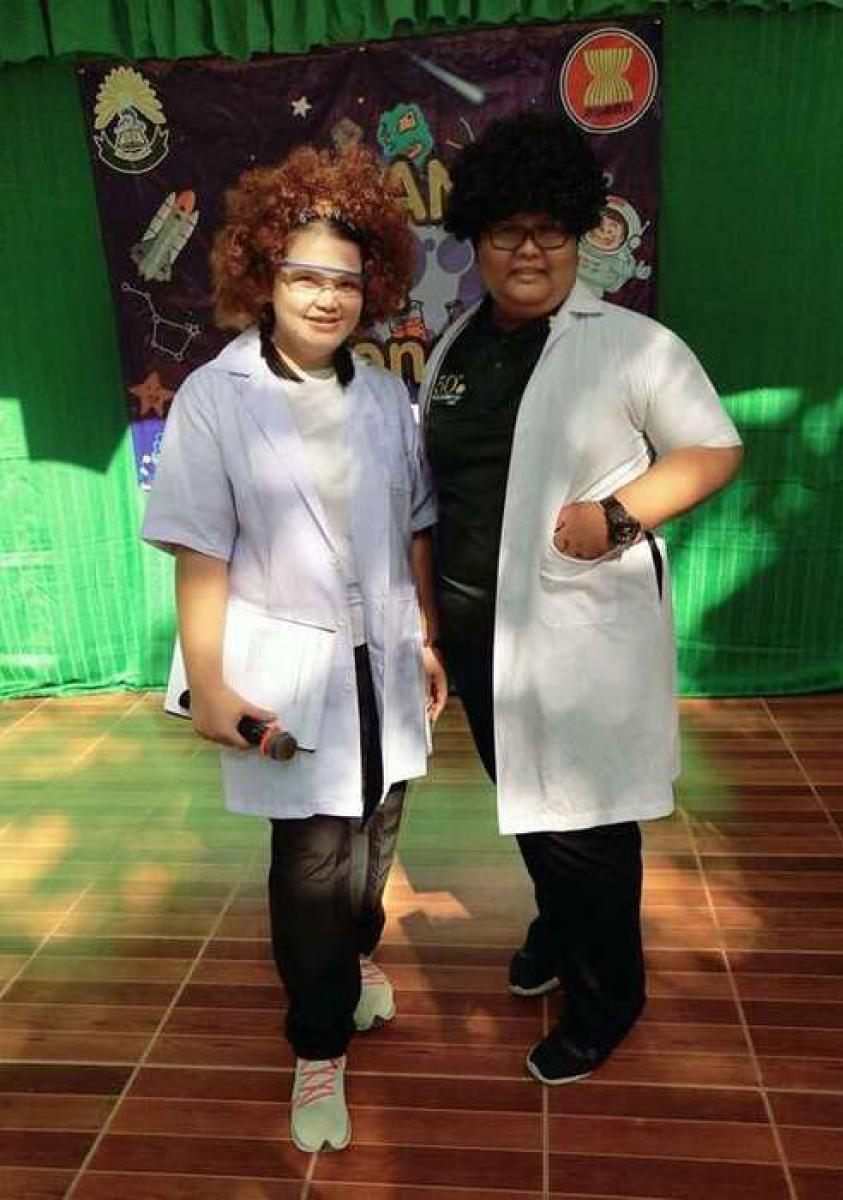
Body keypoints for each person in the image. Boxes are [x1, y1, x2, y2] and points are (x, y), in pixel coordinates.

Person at [422, 112, 743, 1085]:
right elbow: (437, 492)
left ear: (578, 234)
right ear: (475, 238)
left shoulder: (633, 344)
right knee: (530, 803)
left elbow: (712, 449)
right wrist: (430, 625)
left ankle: (609, 998)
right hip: (481, 636)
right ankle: (561, 933)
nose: (529, 251)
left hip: (578, 634)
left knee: (588, 825)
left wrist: (619, 513)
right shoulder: (454, 348)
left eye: (550, 230)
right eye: (506, 231)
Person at [142, 143, 447, 1151]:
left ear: (374, 289)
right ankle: (318, 1048)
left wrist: (426, 635)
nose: (326, 297)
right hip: (287, 669)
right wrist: (209, 684)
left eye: (346, 281)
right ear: (262, 274)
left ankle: (358, 957)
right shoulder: (215, 397)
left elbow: (414, 524)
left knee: (377, 834)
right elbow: (200, 550)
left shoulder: (385, 398)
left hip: (383, 659)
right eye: (305, 275)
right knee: (313, 864)